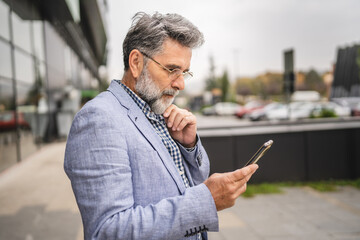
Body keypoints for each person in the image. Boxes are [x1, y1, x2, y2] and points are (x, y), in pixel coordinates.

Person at [64, 12, 258, 240]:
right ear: (136, 62)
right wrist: (206, 201)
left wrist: (188, 146)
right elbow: (109, 231)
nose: (181, 84)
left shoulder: (157, 110)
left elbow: (189, 184)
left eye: (184, 72)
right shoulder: (99, 119)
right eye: (171, 69)